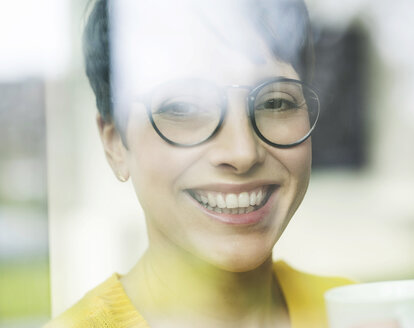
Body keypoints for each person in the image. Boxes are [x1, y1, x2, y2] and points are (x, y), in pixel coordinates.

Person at [46, 0, 355, 327]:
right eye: (184, 107)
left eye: (276, 102)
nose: (242, 152)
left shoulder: (356, 315)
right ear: (114, 145)